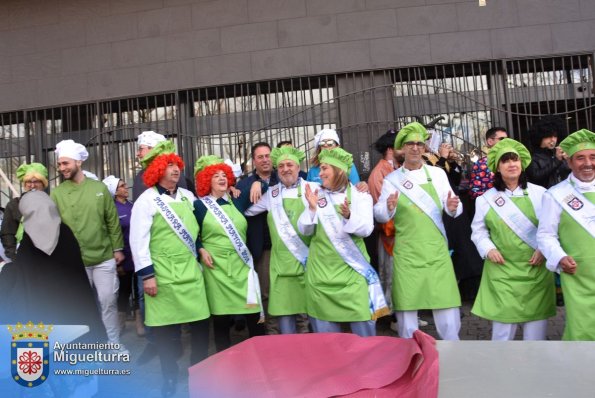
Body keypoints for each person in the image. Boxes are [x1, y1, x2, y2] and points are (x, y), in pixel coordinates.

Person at [129, 140, 210, 395]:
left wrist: (200, 247)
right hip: (161, 275)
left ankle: (198, 371)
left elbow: (200, 229)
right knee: (165, 332)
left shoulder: (188, 197)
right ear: (157, 169)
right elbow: (137, 241)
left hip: (190, 272)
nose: (175, 169)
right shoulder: (146, 201)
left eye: (177, 165)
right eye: (169, 165)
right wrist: (147, 276)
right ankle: (169, 377)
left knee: (200, 326)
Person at [374, 122, 462, 340]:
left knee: (446, 306)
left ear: (424, 148)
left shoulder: (438, 175)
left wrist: (453, 208)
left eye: (419, 144)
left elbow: (454, 206)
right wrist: (388, 208)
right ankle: (411, 357)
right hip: (407, 253)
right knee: (407, 312)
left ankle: (454, 353)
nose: (415, 148)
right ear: (402, 149)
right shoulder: (392, 179)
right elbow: (379, 214)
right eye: (410, 144)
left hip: (436, 251)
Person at [470, 138, 555, 340]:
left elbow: (551, 228)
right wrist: (488, 249)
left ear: (522, 163)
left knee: (535, 337)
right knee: (502, 335)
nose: (511, 164)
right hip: (502, 271)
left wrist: (544, 249)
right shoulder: (485, 199)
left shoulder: (541, 194)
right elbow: (478, 231)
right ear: (497, 168)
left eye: (515, 160)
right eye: (505, 161)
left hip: (536, 270)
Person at [299, 147, 389, 336]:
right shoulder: (315, 194)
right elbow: (304, 230)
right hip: (321, 277)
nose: (320, 173)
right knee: (327, 344)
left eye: (324, 169)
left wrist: (349, 215)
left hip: (353, 274)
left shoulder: (360, 196)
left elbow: (366, 230)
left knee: (363, 335)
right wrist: (312, 209)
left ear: (338, 170)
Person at [0, 191, 106, 344]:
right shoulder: (66, 232)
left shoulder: (29, 240)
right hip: (75, 312)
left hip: (45, 315)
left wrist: (4, 268)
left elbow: (21, 277)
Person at [51, 139, 125, 349]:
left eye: (65, 163)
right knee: (80, 306)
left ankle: (113, 343)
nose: (62, 168)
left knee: (108, 301)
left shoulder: (99, 188)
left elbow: (111, 220)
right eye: (59, 164)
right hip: (74, 260)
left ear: (78, 162)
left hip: (103, 258)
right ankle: (88, 346)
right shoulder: (56, 193)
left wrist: (117, 248)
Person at [193, 155, 265, 351]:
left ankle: (260, 359)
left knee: (254, 314)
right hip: (216, 269)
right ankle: (223, 364)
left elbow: (266, 188)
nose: (222, 178)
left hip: (242, 267)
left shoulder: (237, 198)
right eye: (216, 176)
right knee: (221, 321)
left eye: (224, 175)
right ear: (207, 180)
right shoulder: (199, 206)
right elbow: (192, 233)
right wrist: (200, 248)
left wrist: (257, 182)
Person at [244, 146, 311, 334]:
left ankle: (306, 345)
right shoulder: (272, 193)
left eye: (290, 164)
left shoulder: (311, 188)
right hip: (279, 261)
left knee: (304, 309)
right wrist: (249, 186)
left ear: (298, 167)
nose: (285, 169)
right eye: (281, 166)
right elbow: (247, 210)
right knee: (282, 307)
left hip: (304, 258)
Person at [537, 129, 595, 340]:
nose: (587, 163)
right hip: (579, 275)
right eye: (580, 158)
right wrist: (559, 257)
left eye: (593, 157)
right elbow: (545, 235)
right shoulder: (556, 195)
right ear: (569, 162)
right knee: (583, 331)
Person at [235, 142, 280, 334]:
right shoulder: (243, 184)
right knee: (266, 293)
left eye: (268, 155)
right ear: (254, 160)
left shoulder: (284, 175)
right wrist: (258, 183)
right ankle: (271, 334)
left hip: (287, 246)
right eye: (260, 157)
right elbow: (237, 209)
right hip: (262, 248)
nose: (265, 160)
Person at [103, 175, 144, 337]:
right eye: (122, 186)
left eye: (125, 185)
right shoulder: (111, 209)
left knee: (139, 291)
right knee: (123, 291)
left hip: (138, 256)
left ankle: (140, 321)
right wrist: (117, 263)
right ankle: (119, 323)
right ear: (114, 191)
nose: (126, 188)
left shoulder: (133, 205)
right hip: (123, 258)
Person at [0, 162, 48, 261]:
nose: (32, 185)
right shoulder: (14, 205)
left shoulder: (51, 203)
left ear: (43, 184)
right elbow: (7, 233)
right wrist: (13, 255)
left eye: (37, 181)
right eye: (28, 182)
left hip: (47, 257)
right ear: (24, 184)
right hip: (21, 257)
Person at [133, 130, 194, 201]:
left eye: (141, 149)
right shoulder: (142, 174)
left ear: (153, 149)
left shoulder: (173, 174)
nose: (137, 153)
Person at [526, 115, 571, 189]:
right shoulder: (532, 157)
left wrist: (569, 161)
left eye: (555, 136)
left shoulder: (559, 154)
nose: (553, 139)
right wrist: (557, 161)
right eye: (549, 136)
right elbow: (535, 177)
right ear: (540, 137)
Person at [469, 127, 509, 199]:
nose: (506, 142)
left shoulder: (513, 161)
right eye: (502, 139)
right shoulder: (479, 165)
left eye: (507, 139)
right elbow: (474, 192)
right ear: (490, 141)